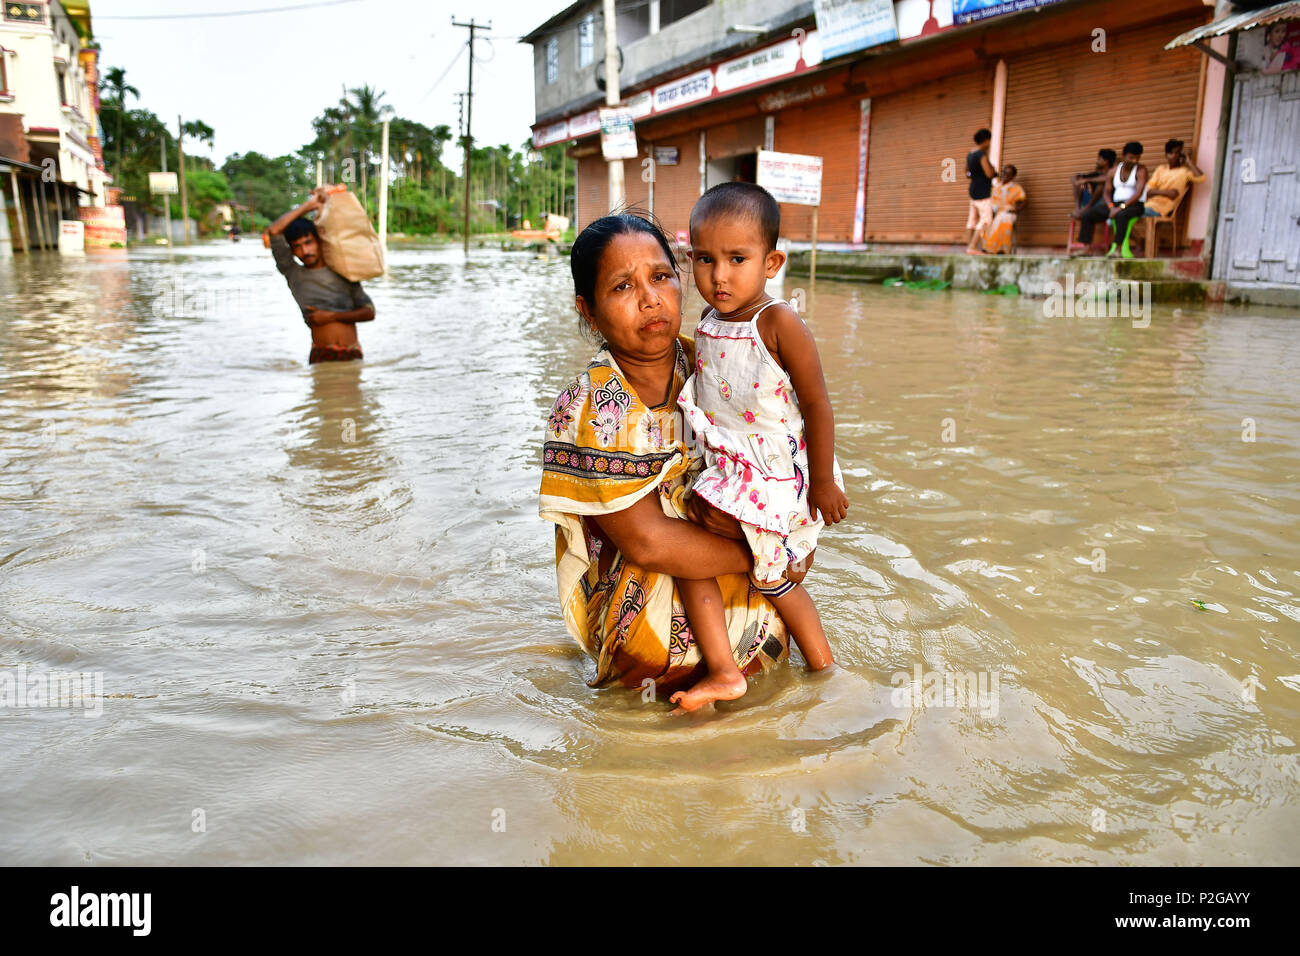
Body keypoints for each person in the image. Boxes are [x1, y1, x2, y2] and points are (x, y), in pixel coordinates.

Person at [539, 213, 793, 709]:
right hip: (653, 650)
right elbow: (648, 543)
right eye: (621, 287)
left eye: (660, 277)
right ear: (588, 312)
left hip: (754, 609)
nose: (650, 298)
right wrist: (773, 556)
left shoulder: (712, 365)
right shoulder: (590, 406)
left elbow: (780, 447)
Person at [672, 182, 849, 711]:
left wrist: (821, 481)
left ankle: (825, 671)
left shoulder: (777, 322)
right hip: (730, 465)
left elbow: (817, 405)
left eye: (736, 259)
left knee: (776, 581)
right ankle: (727, 669)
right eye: (704, 259)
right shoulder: (707, 321)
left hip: (775, 472)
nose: (719, 275)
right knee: (692, 556)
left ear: (770, 262)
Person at [265, 186, 375, 364]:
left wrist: (331, 316)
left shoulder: (342, 270)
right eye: (297, 246)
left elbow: (369, 312)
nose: (305, 250)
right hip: (320, 355)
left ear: (319, 240)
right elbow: (274, 231)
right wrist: (308, 206)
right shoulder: (293, 273)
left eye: (308, 242)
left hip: (352, 354)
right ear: (292, 251)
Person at [1142, 139, 1206, 222]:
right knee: (1123, 212)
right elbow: (1148, 191)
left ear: (1181, 155)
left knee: (1127, 213)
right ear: (1166, 155)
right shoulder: (1160, 169)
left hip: (1163, 209)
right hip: (1148, 206)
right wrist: (1167, 193)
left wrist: (1189, 161)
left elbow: (1201, 178)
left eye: (1177, 153)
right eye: (1171, 153)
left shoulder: (1184, 172)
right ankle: (1134, 235)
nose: (1175, 156)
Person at [974, 165, 1026, 255]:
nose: (1005, 175)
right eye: (1004, 173)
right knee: (986, 222)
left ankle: (1003, 249)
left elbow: (1024, 201)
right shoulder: (996, 187)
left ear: (1013, 176)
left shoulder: (1016, 188)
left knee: (1004, 218)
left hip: (1008, 212)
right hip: (995, 212)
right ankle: (988, 248)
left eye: (1008, 174)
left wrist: (1016, 210)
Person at [965, 128, 997, 254]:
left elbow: (967, 173)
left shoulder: (970, 154)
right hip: (982, 191)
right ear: (986, 140)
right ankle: (972, 246)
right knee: (986, 219)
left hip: (973, 189)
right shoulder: (981, 154)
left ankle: (968, 247)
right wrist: (993, 171)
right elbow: (989, 173)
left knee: (972, 220)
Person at [1071, 148, 1116, 222]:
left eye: (1099, 159)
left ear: (1106, 161)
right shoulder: (1095, 174)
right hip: (1093, 202)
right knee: (1080, 186)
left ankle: (1085, 209)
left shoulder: (1113, 173)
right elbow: (1074, 177)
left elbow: (1106, 178)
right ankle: (1077, 209)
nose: (1096, 161)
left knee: (1101, 186)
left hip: (1105, 204)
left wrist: (1087, 180)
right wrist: (1078, 182)